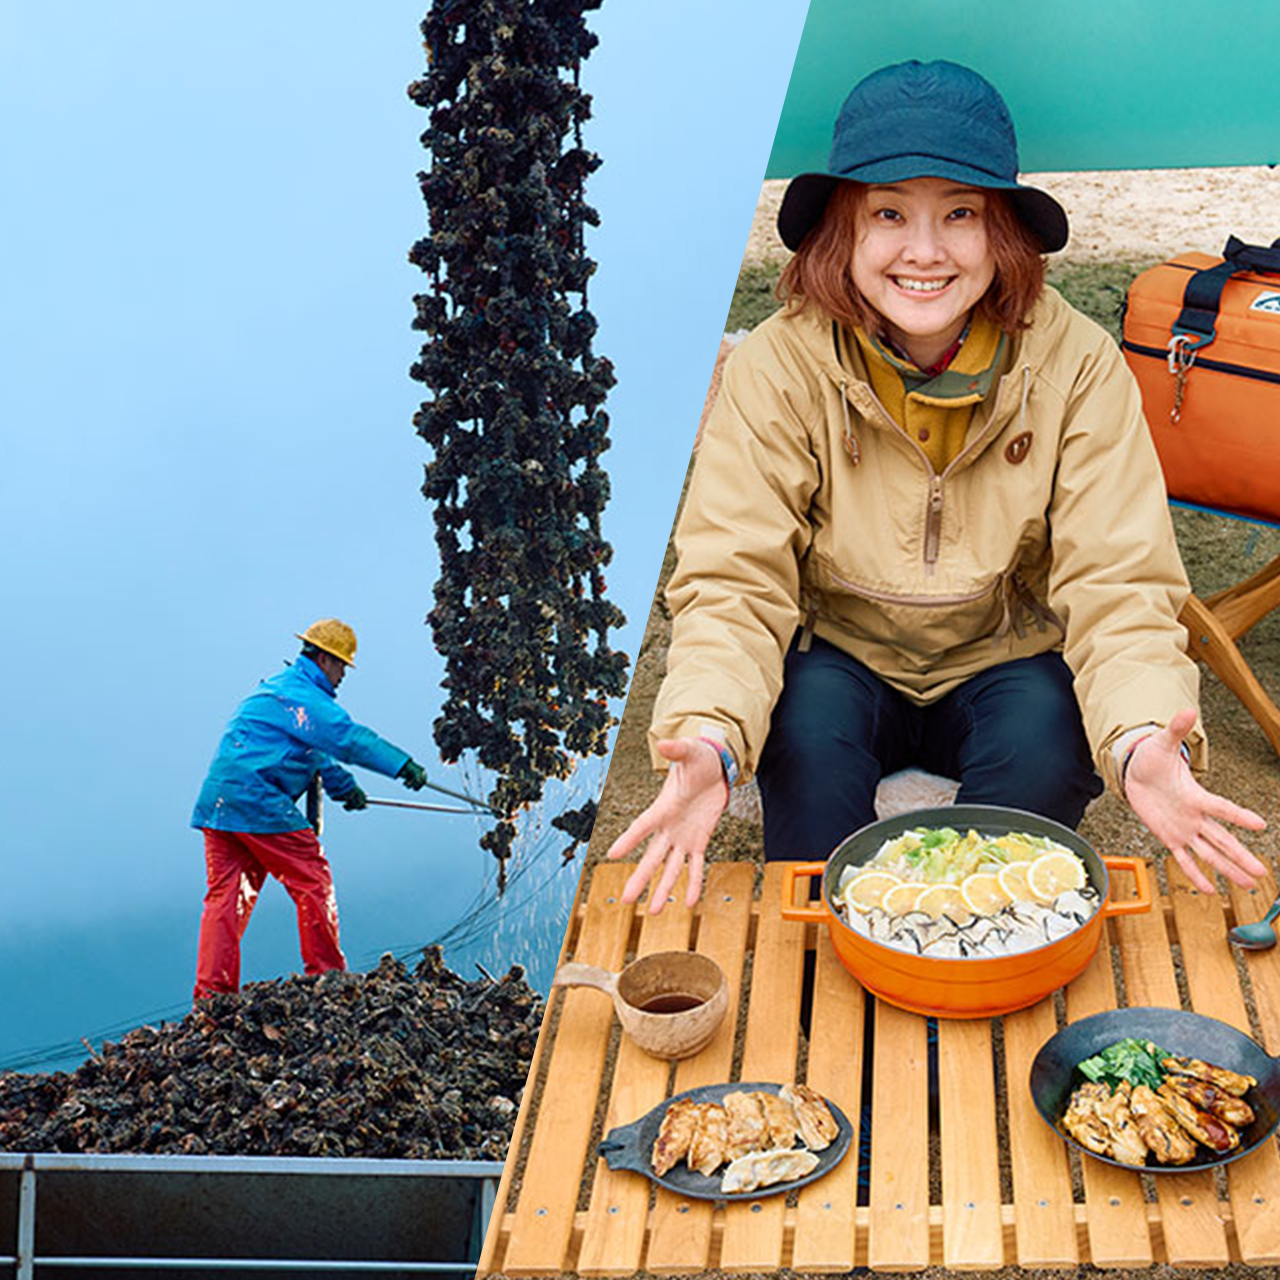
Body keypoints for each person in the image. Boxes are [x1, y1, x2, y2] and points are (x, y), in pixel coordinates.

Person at [609, 59, 1267, 912]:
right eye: (889, 213)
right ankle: (823, 972)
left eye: (960, 213)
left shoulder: (1077, 365)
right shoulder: (777, 365)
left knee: (1040, 769)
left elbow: (1120, 579)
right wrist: (708, 732)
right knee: (806, 763)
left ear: (1003, 233)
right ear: (842, 230)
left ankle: (983, 955)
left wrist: (1145, 736)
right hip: (841, 651)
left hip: (1004, 655)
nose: (924, 252)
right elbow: (734, 577)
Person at [190, 618, 431, 998]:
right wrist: (401, 765)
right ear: (324, 659)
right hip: (257, 801)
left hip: (220, 804)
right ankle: (327, 976)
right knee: (313, 880)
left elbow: (311, 751)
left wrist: (344, 788)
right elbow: (347, 739)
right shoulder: (303, 697)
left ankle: (212, 997)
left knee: (226, 900)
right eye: (341, 665)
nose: (343, 675)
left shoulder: (279, 690)